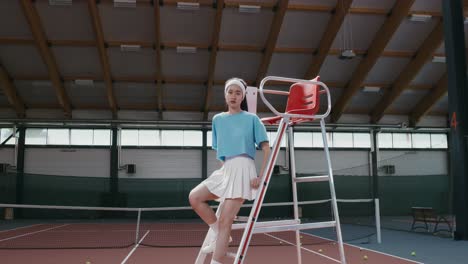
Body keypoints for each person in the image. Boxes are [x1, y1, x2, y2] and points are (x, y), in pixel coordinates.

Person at [189, 78, 271, 264]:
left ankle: (218, 256)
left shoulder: (252, 119)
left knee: (227, 221)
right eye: (230, 92)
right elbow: (221, 153)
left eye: (238, 93)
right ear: (225, 94)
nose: (233, 96)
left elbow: (267, 149)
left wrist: (260, 176)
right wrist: (223, 178)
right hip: (226, 170)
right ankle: (220, 235)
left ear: (242, 97)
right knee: (194, 197)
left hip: (244, 169)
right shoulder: (218, 120)